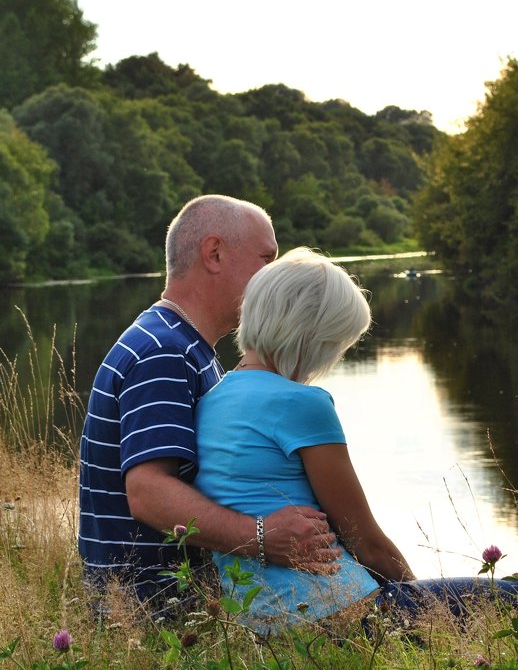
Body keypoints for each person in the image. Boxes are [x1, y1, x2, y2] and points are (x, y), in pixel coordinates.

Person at [194, 247, 518, 632]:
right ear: (307, 334)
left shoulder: (211, 399)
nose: (330, 358)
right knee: (513, 599)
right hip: (334, 610)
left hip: (258, 618)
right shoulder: (301, 403)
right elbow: (367, 543)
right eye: (334, 343)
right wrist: (425, 609)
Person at [78, 195, 341, 613]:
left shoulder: (184, 346)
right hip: (151, 616)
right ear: (214, 253)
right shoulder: (163, 351)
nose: (273, 275)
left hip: (179, 615)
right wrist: (261, 537)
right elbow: (147, 492)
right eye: (266, 258)